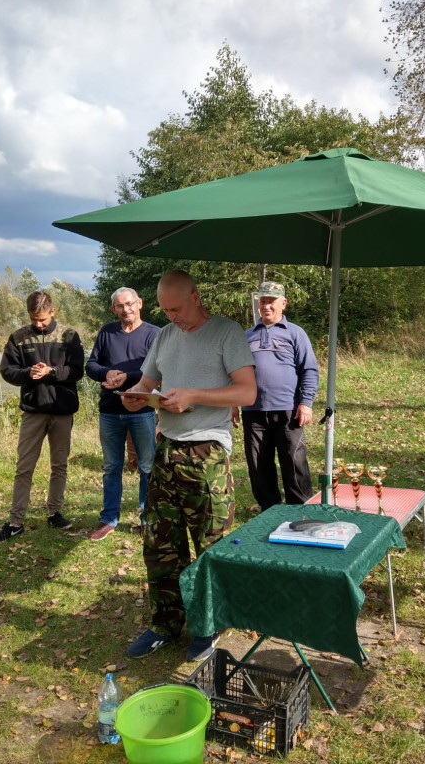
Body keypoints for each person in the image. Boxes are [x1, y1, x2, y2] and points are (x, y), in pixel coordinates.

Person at [120, 270, 256, 662]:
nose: (171, 316)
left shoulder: (226, 332)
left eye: (176, 308)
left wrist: (195, 394)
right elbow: (147, 384)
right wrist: (136, 397)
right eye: (165, 310)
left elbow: (248, 391)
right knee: (160, 542)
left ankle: (208, 625)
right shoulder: (164, 335)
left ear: (195, 297)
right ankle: (165, 623)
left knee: (210, 543)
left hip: (207, 452)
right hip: (166, 449)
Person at [0, 291, 84, 542]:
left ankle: (54, 513)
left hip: (62, 410)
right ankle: (15, 521)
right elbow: (7, 370)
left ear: (52, 312)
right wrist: (27, 373)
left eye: (41, 319)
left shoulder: (69, 336)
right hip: (33, 411)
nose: (38, 324)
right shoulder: (19, 337)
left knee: (59, 465)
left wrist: (51, 371)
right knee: (24, 467)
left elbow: (77, 371)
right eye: (34, 320)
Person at [85, 287, 161, 541]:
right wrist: (106, 373)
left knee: (147, 466)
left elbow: (158, 369)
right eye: (120, 306)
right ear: (113, 309)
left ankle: (146, 517)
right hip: (110, 410)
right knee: (111, 467)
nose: (125, 309)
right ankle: (108, 519)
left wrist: (127, 377)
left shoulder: (154, 334)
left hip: (143, 409)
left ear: (140, 303)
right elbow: (91, 365)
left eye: (129, 304)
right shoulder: (107, 332)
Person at [239, 281, 318, 510]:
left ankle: (300, 511)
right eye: (262, 302)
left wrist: (306, 402)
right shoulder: (246, 335)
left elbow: (309, 369)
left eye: (271, 302)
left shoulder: (295, 333)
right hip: (253, 411)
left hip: (288, 410)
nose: (266, 307)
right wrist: (234, 403)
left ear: (283, 303)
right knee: (258, 465)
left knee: (294, 463)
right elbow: (237, 373)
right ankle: (269, 511)